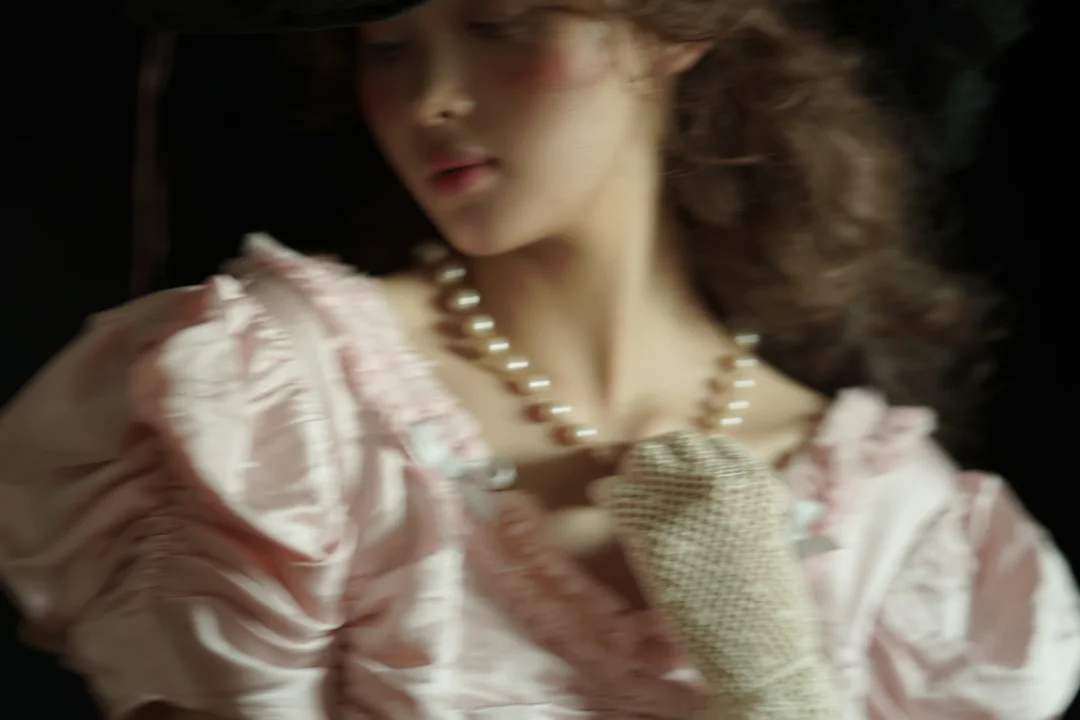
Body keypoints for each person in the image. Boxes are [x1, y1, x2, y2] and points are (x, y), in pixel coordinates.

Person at [1, 0, 1077, 718]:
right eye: (387, 47)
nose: (431, 96)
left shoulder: (903, 526)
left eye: (499, 23)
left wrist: (778, 689)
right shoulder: (280, 405)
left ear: (668, 29)